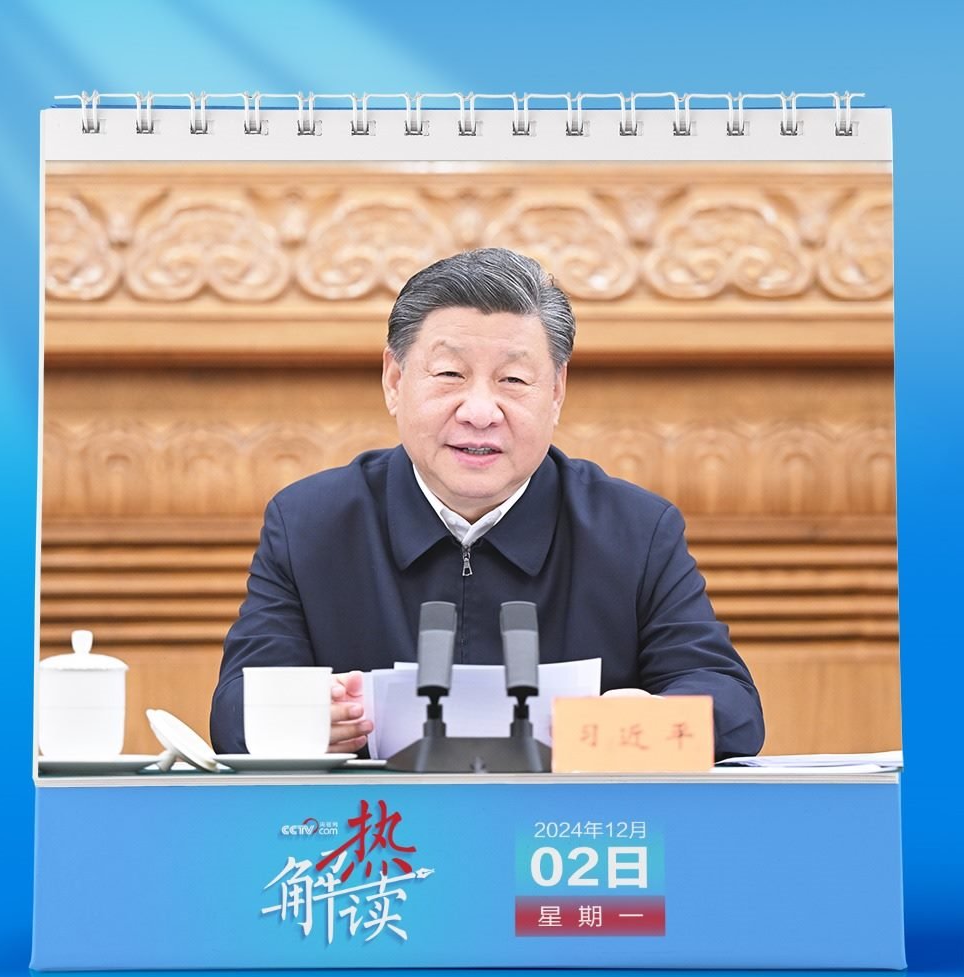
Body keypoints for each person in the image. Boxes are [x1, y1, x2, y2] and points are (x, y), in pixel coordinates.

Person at [210, 248, 763, 760]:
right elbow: (234, 709)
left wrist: (642, 721)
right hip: (383, 828)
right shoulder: (311, 524)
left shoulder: (634, 531)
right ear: (395, 380)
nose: (479, 411)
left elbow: (732, 708)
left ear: (556, 392)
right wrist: (302, 717)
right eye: (450, 374)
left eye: (513, 379)